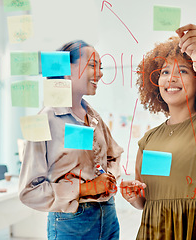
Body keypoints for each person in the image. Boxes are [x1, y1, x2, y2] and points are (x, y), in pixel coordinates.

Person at [120, 24, 196, 239]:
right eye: (165, 72)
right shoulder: (148, 140)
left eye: (183, 71)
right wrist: (133, 196)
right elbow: (145, 200)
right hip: (156, 230)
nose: (171, 78)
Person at [19, 40, 123, 240]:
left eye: (100, 67)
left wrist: (108, 178)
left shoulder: (94, 116)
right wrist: (86, 188)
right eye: (92, 65)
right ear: (66, 69)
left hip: (108, 215)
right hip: (72, 223)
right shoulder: (43, 120)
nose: (100, 73)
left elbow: (113, 155)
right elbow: (29, 191)